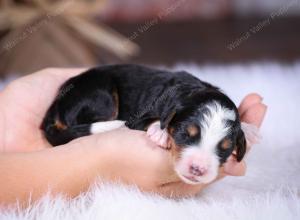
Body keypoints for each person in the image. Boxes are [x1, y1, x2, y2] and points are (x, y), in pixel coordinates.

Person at [0, 68, 267, 206]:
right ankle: (72, 131)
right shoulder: (170, 103)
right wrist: (99, 158)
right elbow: (140, 119)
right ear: (169, 118)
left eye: (222, 149)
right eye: (188, 135)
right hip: (92, 91)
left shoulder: (189, 109)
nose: (200, 164)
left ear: (236, 147)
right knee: (104, 100)